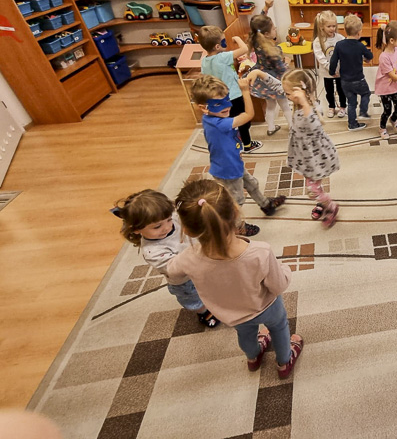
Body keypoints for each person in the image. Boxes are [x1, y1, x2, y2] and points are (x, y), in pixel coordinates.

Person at [167, 179, 303, 375]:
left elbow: (171, 270)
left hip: (231, 314)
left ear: (187, 229)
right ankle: (284, 362)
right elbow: (278, 285)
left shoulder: (188, 258)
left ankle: (253, 357)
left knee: (245, 334)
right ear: (236, 212)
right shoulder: (260, 252)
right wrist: (285, 269)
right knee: (279, 327)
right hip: (266, 307)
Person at [190, 75, 286, 237]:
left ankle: (266, 204)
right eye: (219, 103)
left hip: (233, 162)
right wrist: (245, 91)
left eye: (227, 99)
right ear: (203, 108)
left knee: (252, 184)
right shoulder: (219, 123)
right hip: (228, 170)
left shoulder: (212, 117)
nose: (228, 105)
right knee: (236, 201)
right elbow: (248, 115)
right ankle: (237, 226)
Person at [112, 189, 219, 328]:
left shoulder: (172, 217)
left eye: (168, 219)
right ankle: (203, 312)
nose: (167, 227)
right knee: (193, 298)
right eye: (157, 227)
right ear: (136, 229)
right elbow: (175, 268)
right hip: (185, 281)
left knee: (213, 286)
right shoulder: (152, 251)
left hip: (202, 263)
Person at [283, 69, 341, 227]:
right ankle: (322, 203)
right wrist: (259, 74)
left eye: (288, 93)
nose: (286, 96)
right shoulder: (300, 105)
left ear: (300, 91)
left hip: (315, 157)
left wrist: (304, 103)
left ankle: (330, 205)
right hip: (305, 155)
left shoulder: (311, 108)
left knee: (312, 188)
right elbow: (276, 87)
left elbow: (314, 125)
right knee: (314, 184)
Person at [198, 25, 261, 153]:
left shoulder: (204, 61)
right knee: (243, 120)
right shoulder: (223, 57)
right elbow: (244, 49)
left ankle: (234, 142)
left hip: (219, 98)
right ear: (217, 46)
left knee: (229, 121)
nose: (225, 42)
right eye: (223, 40)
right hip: (234, 96)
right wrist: (237, 38)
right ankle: (247, 144)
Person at [247, 15, 292, 136]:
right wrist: (287, 63)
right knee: (285, 105)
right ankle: (292, 127)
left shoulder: (256, 40)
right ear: (266, 34)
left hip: (263, 80)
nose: (275, 28)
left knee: (270, 105)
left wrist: (265, 9)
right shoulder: (273, 51)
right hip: (275, 80)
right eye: (273, 28)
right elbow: (281, 69)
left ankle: (271, 128)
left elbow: (257, 25)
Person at [329, 15, 374, 131]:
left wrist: (332, 72)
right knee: (366, 94)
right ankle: (363, 112)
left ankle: (352, 124)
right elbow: (370, 56)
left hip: (345, 81)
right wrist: (365, 58)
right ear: (359, 33)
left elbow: (333, 61)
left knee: (351, 102)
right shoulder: (360, 46)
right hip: (358, 79)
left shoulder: (339, 45)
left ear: (345, 30)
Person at [312, 10, 346, 118]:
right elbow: (320, 58)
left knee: (341, 90)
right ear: (322, 27)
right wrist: (331, 69)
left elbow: (345, 54)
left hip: (340, 71)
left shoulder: (340, 38)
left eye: (334, 26)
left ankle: (342, 107)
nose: (332, 29)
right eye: (329, 26)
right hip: (327, 72)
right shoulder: (318, 41)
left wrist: (339, 69)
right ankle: (331, 107)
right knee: (329, 91)